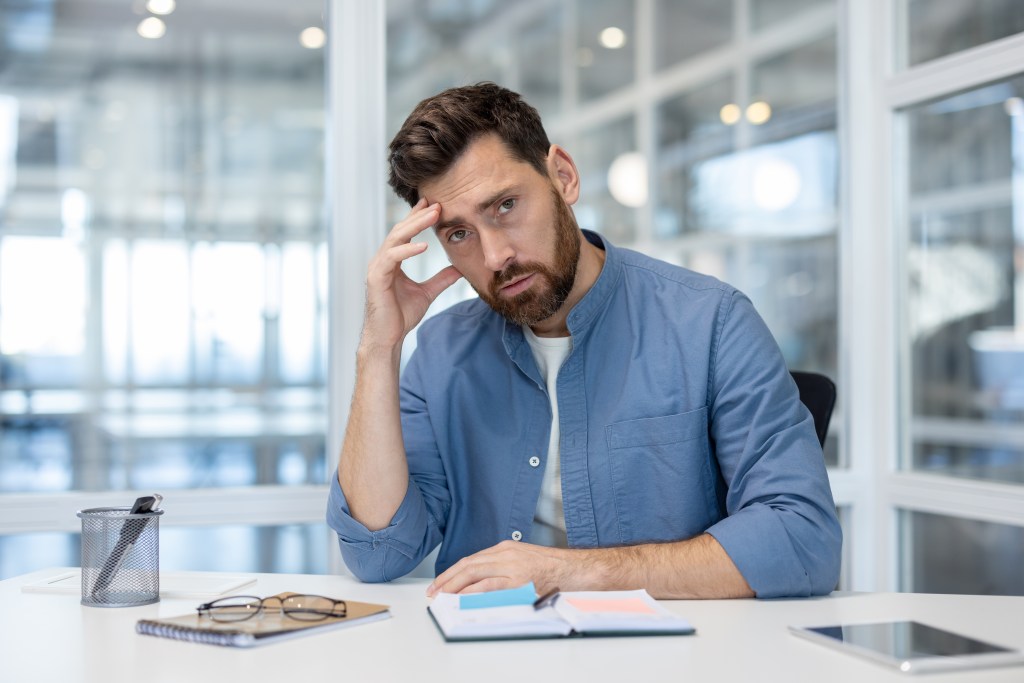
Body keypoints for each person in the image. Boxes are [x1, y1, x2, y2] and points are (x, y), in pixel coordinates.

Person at [327, 82, 842, 600]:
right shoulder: (441, 350)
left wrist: (570, 573)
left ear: (564, 177)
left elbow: (802, 540)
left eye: (505, 205)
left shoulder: (711, 322)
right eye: (458, 234)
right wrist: (379, 347)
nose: (495, 256)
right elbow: (377, 555)